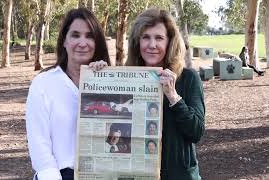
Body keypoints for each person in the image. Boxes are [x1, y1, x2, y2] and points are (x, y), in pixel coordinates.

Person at [26, 8, 110, 180]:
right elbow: (39, 145)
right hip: (58, 174)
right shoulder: (43, 83)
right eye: (75, 35)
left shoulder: (107, 81)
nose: (82, 42)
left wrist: (105, 81)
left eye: (89, 36)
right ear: (64, 40)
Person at [126, 9, 205, 180]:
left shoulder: (188, 78)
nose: (152, 45)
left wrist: (173, 97)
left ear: (170, 42)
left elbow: (196, 132)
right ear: (137, 42)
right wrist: (95, 72)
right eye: (145, 37)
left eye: (159, 38)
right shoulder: (127, 78)